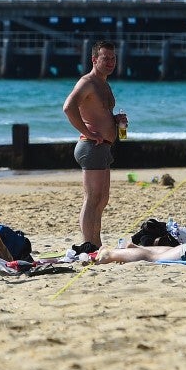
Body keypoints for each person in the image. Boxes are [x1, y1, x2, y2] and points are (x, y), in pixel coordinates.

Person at [62, 40, 118, 254]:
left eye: (113, 58)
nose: (110, 62)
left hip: (104, 147)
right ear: (94, 59)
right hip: (90, 147)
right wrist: (87, 132)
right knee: (92, 197)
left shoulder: (104, 83)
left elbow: (100, 113)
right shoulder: (87, 82)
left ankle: (96, 241)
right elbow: (68, 107)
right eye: (106, 58)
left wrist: (115, 120)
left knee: (102, 198)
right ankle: (88, 244)